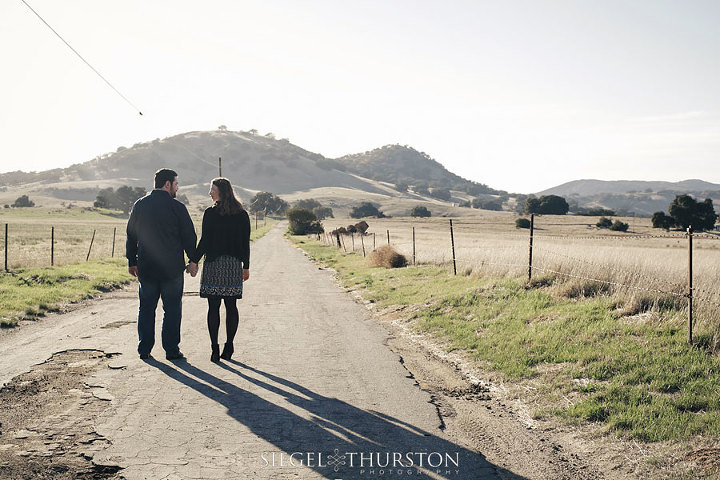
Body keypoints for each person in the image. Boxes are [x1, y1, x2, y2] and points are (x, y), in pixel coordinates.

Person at [126, 168, 198, 361]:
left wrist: (132, 261)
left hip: (147, 268)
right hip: (172, 269)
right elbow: (189, 236)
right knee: (172, 309)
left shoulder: (140, 205)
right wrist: (193, 259)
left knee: (146, 309)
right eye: (176, 184)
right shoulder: (177, 207)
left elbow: (131, 235)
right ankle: (171, 350)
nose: (177, 188)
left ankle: (144, 349)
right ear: (167, 184)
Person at [190, 177, 250, 362]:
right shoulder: (242, 214)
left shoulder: (210, 213)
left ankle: (214, 349)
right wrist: (246, 266)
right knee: (231, 306)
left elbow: (205, 241)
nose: (210, 192)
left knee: (213, 307)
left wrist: (194, 260)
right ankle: (229, 345)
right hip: (232, 266)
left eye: (212, 189)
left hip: (214, 265)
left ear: (221, 191)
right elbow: (244, 243)